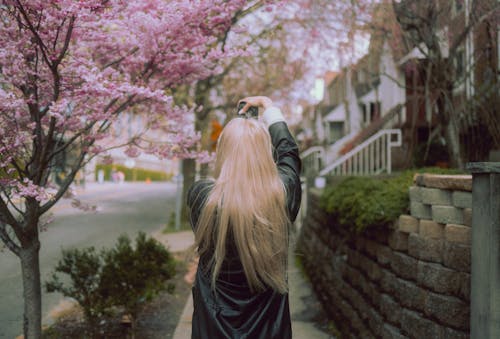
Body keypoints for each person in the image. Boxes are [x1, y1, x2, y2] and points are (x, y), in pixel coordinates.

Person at [187, 96, 302, 339]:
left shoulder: (203, 199)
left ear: (225, 152)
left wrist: (241, 126)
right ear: (264, 152)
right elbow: (289, 155)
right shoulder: (281, 196)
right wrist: (269, 109)